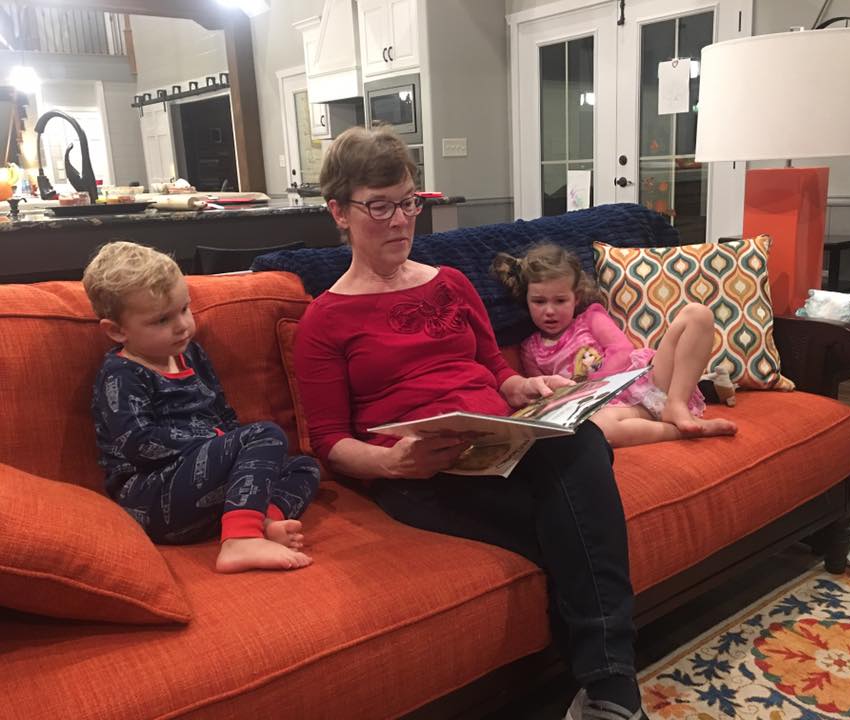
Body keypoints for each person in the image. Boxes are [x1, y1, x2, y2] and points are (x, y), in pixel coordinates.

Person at [293, 125, 649, 720]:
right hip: (423, 473)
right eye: (379, 207)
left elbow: (492, 366)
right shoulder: (323, 321)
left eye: (408, 202)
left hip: (504, 443)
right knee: (576, 521)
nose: (400, 221)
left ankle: (608, 691)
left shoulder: (452, 283)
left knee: (581, 439)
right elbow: (329, 442)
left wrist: (524, 387)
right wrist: (391, 461)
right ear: (339, 212)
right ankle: (613, 691)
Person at [84, 241, 320, 573]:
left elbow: (221, 412)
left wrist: (236, 448)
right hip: (152, 496)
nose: (182, 325)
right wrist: (222, 442)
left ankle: (263, 521)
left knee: (304, 467)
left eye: (184, 309)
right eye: (162, 319)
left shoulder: (191, 353)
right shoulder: (121, 374)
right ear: (116, 331)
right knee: (265, 434)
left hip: (207, 495)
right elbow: (140, 443)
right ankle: (240, 540)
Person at [492, 244, 738, 448]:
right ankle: (683, 431)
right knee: (599, 431)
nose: (549, 311)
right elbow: (544, 397)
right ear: (526, 300)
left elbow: (622, 351)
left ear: (576, 298)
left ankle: (677, 404)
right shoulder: (531, 348)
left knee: (698, 314)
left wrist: (591, 386)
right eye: (539, 301)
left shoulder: (590, 317)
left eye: (560, 300)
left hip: (645, 381)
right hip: (609, 410)